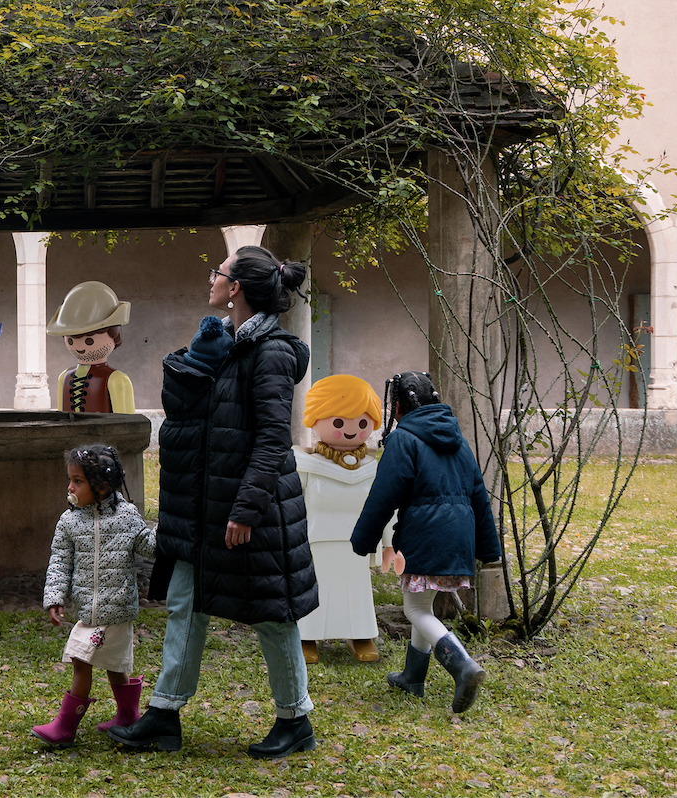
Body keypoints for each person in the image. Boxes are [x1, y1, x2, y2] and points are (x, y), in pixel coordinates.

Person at [109, 245, 319, 758]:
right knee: (185, 602)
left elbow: (272, 437)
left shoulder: (269, 352)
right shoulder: (230, 345)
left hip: (251, 511)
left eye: (218, 274)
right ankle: (164, 714)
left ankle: (296, 720)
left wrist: (245, 510)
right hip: (203, 510)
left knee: (272, 613)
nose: (211, 280)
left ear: (237, 288)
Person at [350, 371, 501, 714]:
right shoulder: (458, 440)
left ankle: (462, 666)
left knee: (414, 609)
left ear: (400, 406)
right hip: (457, 539)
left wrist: (362, 541)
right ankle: (412, 678)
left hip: (423, 536)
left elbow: (383, 496)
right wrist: (489, 550)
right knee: (424, 606)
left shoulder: (404, 439)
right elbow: (479, 495)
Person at [32, 444, 157, 746]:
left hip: (117, 610)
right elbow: (60, 561)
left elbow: (149, 547)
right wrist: (54, 597)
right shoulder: (70, 521)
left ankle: (65, 727)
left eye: (78, 480)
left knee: (97, 662)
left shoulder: (127, 516)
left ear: (101, 485)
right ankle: (127, 716)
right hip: (88, 610)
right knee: (96, 662)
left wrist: (168, 529)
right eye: (70, 479)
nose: (70, 486)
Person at [296, 374, 384, 664]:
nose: (350, 430)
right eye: (338, 422)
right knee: (315, 586)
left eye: (361, 422)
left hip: (358, 541)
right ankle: (307, 636)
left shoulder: (373, 468)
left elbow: (385, 506)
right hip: (316, 538)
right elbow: (293, 505)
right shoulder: (305, 464)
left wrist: (388, 544)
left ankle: (360, 634)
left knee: (356, 590)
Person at [46, 281, 135, 414]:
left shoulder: (117, 379)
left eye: (89, 340)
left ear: (115, 334)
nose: (79, 346)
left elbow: (127, 426)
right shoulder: (64, 377)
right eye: (70, 339)